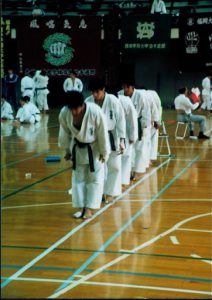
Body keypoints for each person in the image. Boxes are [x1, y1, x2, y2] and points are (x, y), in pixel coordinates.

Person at [58, 91, 110, 219]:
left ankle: (89, 209)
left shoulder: (95, 112)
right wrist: (67, 150)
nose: (74, 112)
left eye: (77, 108)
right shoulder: (65, 113)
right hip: (77, 148)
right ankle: (81, 207)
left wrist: (105, 152)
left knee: (95, 179)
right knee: (78, 178)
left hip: (95, 148)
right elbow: (64, 132)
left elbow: (103, 134)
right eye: (71, 109)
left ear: (83, 104)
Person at [86, 77, 126, 203]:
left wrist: (122, 140)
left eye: (97, 92)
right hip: (95, 137)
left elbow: (121, 121)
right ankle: (98, 192)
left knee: (115, 167)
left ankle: (110, 193)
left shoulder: (113, 101)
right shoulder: (88, 101)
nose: (94, 95)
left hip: (111, 135)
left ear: (103, 89)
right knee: (97, 167)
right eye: (92, 92)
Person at [118, 78, 151, 180]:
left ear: (132, 87)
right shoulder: (119, 94)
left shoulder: (140, 95)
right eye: (124, 87)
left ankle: (138, 171)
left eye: (127, 87)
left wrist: (145, 127)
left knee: (139, 149)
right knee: (128, 150)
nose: (125, 89)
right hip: (124, 124)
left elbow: (146, 112)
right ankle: (129, 172)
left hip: (139, 122)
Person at [118, 94, 138, 186]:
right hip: (111, 132)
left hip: (126, 131)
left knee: (126, 157)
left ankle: (123, 181)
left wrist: (132, 136)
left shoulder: (125, 101)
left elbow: (133, 119)